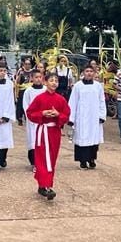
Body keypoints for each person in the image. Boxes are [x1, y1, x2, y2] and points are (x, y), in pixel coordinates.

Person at [25, 72, 70, 201]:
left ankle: (43, 184)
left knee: (51, 159)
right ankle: (47, 186)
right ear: (45, 82)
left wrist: (57, 115)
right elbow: (30, 113)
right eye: (51, 80)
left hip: (54, 132)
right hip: (42, 132)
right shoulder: (39, 98)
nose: (54, 82)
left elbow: (66, 115)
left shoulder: (61, 99)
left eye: (56, 80)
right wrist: (42, 113)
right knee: (43, 159)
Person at [67, 64, 106, 169]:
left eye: (91, 71)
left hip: (94, 117)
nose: (89, 73)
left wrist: (102, 115)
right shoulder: (78, 86)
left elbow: (102, 101)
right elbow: (73, 102)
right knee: (82, 138)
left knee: (93, 139)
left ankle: (92, 159)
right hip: (82, 117)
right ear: (83, 73)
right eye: (87, 71)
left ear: (94, 73)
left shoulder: (98, 86)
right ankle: (83, 161)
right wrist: (71, 118)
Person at [22, 69, 46, 166]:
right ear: (32, 78)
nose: (38, 79)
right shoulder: (28, 91)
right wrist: (31, 116)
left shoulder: (45, 90)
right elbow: (26, 106)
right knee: (33, 141)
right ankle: (34, 162)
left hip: (44, 120)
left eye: (40, 77)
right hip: (32, 121)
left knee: (43, 141)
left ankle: (43, 162)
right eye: (36, 77)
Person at [14, 56, 35, 126]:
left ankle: (27, 116)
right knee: (20, 105)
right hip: (22, 90)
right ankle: (19, 118)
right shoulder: (21, 71)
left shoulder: (33, 72)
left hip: (30, 90)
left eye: (29, 64)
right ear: (23, 64)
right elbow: (17, 82)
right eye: (26, 64)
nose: (27, 65)